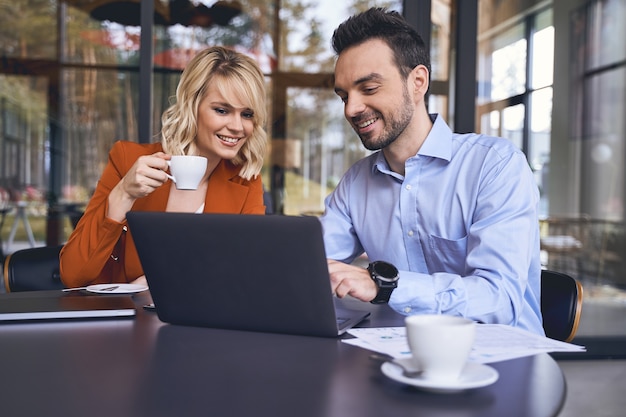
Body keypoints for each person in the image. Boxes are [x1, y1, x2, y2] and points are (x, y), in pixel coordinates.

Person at [321, 8, 544, 335]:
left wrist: (385, 286)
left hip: (498, 363)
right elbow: (312, 269)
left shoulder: (495, 165)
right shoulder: (355, 183)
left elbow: (500, 300)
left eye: (368, 89)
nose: (351, 108)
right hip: (392, 361)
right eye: (344, 95)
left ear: (418, 81)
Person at [60, 46, 268, 288]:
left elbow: (249, 274)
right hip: (125, 319)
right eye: (222, 110)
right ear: (192, 105)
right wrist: (124, 193)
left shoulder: (245, 180)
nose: (237, 126)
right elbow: (72, 275)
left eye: (247, 114)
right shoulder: (128, 160)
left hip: (201, 321)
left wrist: (162, 282)